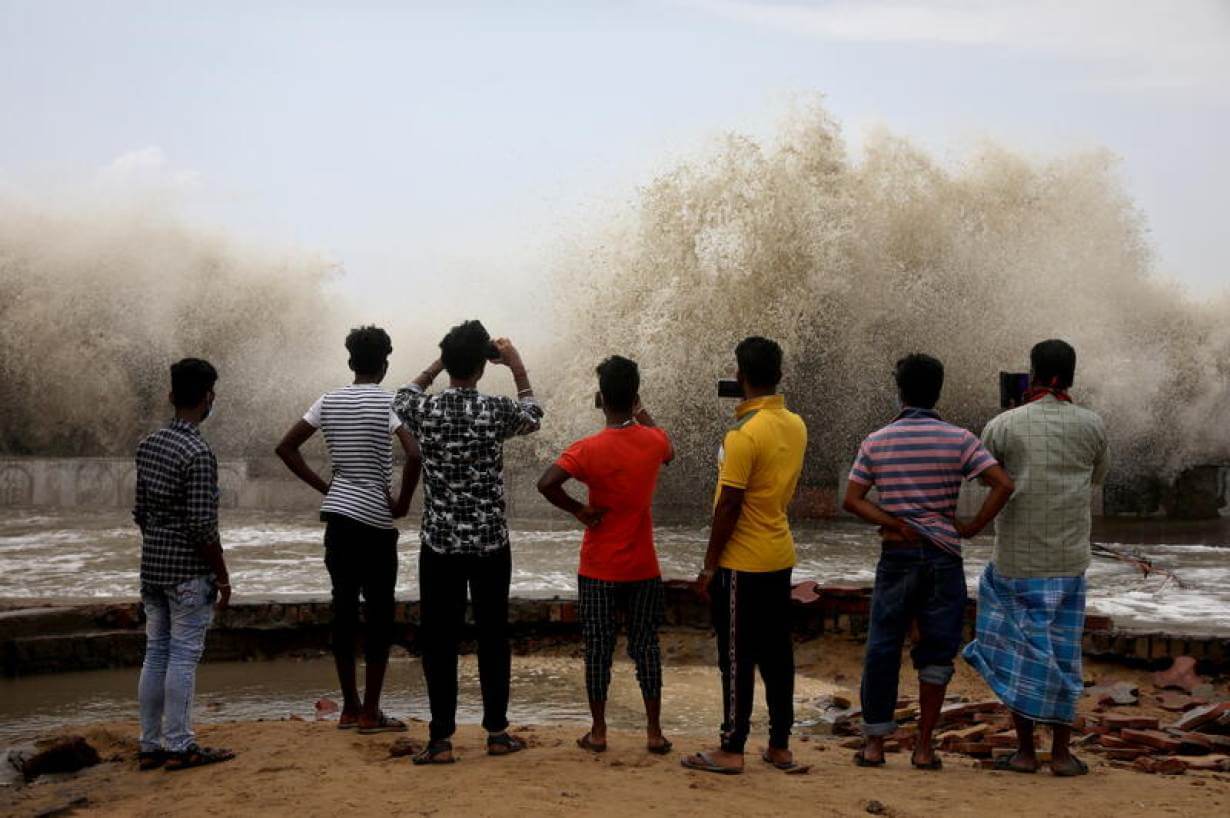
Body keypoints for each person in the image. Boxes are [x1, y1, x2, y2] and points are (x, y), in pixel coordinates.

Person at [843, 353, 1014, 770]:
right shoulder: (959, 439)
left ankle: (874, 746)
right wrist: (972, 527)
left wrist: (895, 523)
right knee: (937, 652)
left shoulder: (877, 440)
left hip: (898, 556)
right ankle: (923, 747)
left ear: (899, 391)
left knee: (883, 648)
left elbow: (852, 500)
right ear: (938, 391)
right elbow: (1002, 483)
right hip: (943, 557)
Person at [393, 320, 543, 764]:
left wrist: (441, 357)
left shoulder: (427, 411)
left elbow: (402, 397)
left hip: (439, 545)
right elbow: (534, 415)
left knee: (439, 641)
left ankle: (440, 740)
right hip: (490, 543)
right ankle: (497, 733)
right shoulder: (494, 410)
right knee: (494, 636)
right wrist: (515, 365)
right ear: (482, 367)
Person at [963, 339, 1108, 777]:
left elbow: (988, 481)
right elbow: (1097, 479)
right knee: (1064, 654)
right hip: (1069, 560)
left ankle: (1025, 752)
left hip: (1017, 561)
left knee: (1020, 654)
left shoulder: (1003, 425)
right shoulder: (1093, 425)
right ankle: (1062, 755)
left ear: (1035, 374)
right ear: (1069, 376)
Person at [275, 325, 421, 734]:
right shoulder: (390, 401)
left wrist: (328, 488)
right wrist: (404, 502)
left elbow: (286, 448)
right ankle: (372, 713)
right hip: (375, 522)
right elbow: (413, 455)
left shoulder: (328, 400)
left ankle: (348, 709)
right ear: (385, 362)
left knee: (342, 612)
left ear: (350, 361)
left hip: (338, 521)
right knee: (378, 616)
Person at [682, 337, 809, 776]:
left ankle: (732, 747)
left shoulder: (742, 435)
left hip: (742, 563)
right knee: (778, 655)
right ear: (779, 375)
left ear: (740, 377)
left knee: (736, 656)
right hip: (779, 553)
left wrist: (710, 564)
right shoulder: (795, 423)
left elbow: (729, 506)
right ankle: (779, 745)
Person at [536, 356, 675, 755]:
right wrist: (641, 409)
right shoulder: (654, 441)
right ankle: (653, 732)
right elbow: (669, 450)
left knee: (598, 648)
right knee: (645, 645)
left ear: (600, 400)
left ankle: (598, 731)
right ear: (634, 398)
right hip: (643, 566)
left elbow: (546, 483)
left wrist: (578, 509)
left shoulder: (588, 449)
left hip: (598, 567)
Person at [133, 358, 235, 771]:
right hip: (188, 575)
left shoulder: (148, 445)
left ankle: (149, 744)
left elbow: (139, 512)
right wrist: (223, 577)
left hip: (152, 569)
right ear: (208, 398)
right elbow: (201, 526)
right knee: (183, 657)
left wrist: (160, 545)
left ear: (172, 396)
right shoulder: (198, 452)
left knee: (155, 653)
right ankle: (179, 745)